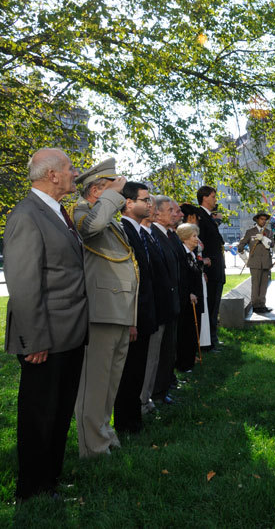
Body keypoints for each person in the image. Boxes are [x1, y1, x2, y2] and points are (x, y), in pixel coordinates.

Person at [5, 148, 88, 500]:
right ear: (52, 174)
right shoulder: (27, 214)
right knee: (39, 415)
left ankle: (49, 479)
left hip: (68, 333)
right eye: (69, 167)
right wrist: (34, 339)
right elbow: (24, 283)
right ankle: (32, 488)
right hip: (45, 337)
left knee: (59, 412)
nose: (75, 173)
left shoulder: (55, 211)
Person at [73, 158, 137, 458]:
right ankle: (92, 447)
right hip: (101, 310)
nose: (120, 193)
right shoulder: (82, 212)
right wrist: (112, 196)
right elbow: (91, 228)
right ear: (97, 190)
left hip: (118, 309)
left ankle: (104, 433)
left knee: (110, 381)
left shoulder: (109, 218)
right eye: (114, 187)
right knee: (95, 383)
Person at [115, 182, 157, 434]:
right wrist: (131, 319)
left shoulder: (139, 231)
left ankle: (133, 420)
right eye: (145, 199)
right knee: (129, 372)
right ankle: (126, 423)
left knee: (137, 369)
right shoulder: (124, 231)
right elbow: (127, 277)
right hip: (133, 315)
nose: (150, 204)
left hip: (144, 312)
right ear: (129, 203)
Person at [139, 195, 178, 415]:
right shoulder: (145, 234)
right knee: (150, 357)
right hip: (152, 307)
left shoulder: (154, 234)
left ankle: (152, 396)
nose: (152, 210)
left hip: (164, 305)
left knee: (158, 356)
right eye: (150, 206)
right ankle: (145, 399)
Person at [149, 197, 182, 407]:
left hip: (172, 301)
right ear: (158, 214)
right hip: (162, 303)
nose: (174, 214)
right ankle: (158, 392)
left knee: (169, 349)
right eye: (169, 210)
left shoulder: (168, 235)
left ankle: (164, 387)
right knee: (160, 352)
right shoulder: (154, 234)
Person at [196, 186, 226, 349]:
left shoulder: (208, 217)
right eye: (213, 197)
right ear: (205, 198)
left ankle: (212, 338)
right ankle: (208, 341)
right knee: (210, 306)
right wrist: (203, 269)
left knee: (214, 306)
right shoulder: (200, 217)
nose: (215, 200)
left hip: (216, 270)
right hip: (210, 271)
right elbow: (200, 246)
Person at [175, 223, 205, 372]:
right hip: (187, 300)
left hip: (196, 298)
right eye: (194, 236)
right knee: (186, 332)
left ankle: (191, 357)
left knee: (194, 330)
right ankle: (184, 363)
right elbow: (181, 277)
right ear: (185, 238)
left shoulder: (192, 254)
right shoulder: (182, 255)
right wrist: (189, 293)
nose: (196, 239)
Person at [182, 203, 211, 348]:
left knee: (202, 309)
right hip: (192, 277)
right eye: (195, 217)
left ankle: (202, 341)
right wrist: (202, 263)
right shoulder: (184, 234)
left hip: (199, 273)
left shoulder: (193, 232)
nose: (197, 220)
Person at [237, 212, 274, 313]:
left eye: (265, 219)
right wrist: (245, 258)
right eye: (261, 219)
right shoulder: (250, 232)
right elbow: (241, 246)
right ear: (257, 220)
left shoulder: (269, 232)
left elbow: (272, 244)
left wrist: (264, 239)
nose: (263, 221)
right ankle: (255, 305)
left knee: (264, 285)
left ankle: (262, 304)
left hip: (266, 262)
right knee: (256, 284)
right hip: (254, 262)